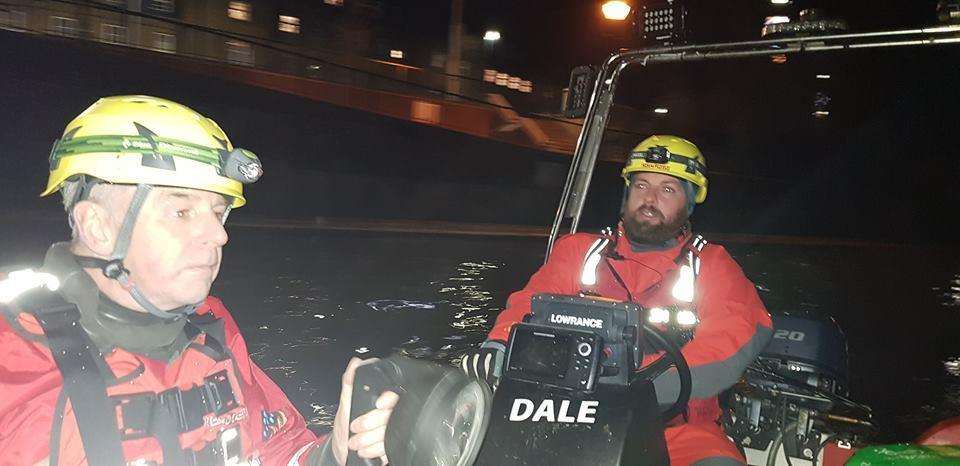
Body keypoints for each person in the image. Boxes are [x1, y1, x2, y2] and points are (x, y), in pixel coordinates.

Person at [0, 96, 397, 466]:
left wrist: (338, 451)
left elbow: (278, 448)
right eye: (181, 212)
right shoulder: (13, 357)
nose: (219, 235)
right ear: (98, 226)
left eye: (218, 213)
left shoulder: (211, 330)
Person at [463, 135, 774, 466]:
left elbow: (729, 346)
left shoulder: (713, 266)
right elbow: (528, 306)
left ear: (691, 200)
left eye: (668, 189)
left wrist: (630, 383)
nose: (650, 198)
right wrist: (499, 346)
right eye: (641, 185)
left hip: (677, 432)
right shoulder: (577, 251)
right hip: (562, 419)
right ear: (627, 192)